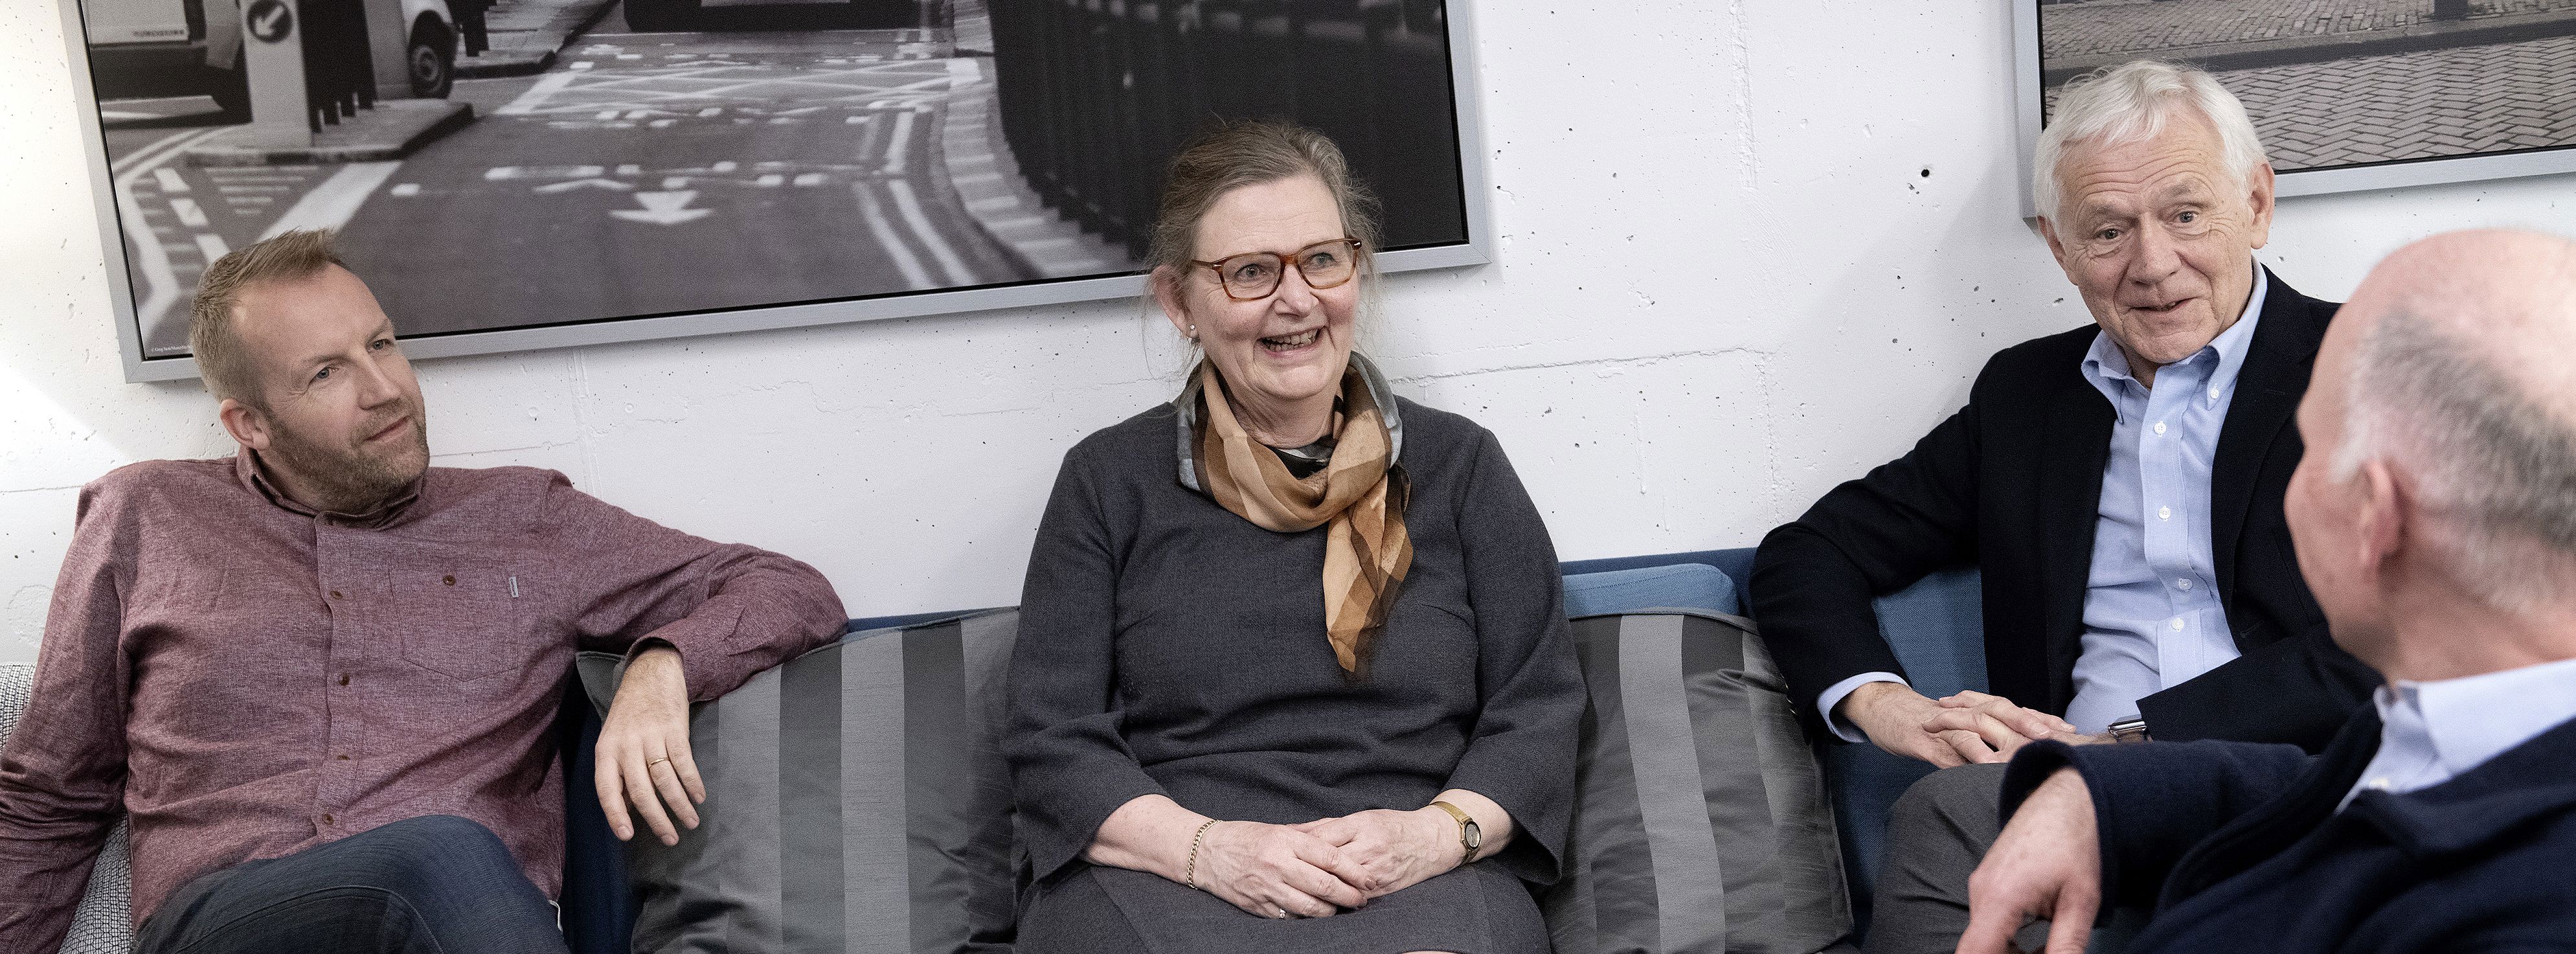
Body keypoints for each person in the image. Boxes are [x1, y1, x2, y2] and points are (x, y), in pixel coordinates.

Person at [0, 230, 849, 954]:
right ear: (249, 422)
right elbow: (49, 795)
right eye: (326, 374)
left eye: (381, 343)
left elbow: (787, 587)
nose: (384, 390)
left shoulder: (526, 520)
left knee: (442, 862)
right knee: (431, 857)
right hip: (233, 919)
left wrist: (663, 667)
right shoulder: (146, 512)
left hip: (466, 925)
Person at [1747, 60, 2376, 952]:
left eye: (2185, 214)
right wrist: (1885, 703)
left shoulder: (2378, 372)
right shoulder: (2024, 399)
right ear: (2059, 247)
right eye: (2108, 230)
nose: (2152, 264)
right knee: (1948, 820)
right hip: (2069, 798)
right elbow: (1808, 553)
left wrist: (2138, 743)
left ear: (2256, 205)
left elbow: (2431, 640)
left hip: (2306, 779)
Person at [1002, 121, 1583, 954]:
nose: (1297, 299)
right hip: (1167, 872)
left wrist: (1431, 836)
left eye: (1321, 259)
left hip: (1413, 877)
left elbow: (1539, 707)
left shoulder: (1462, 468)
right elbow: (1051, 738)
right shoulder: (1106, 482)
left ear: (1357, 270)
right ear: (1180, 302)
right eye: (1249, 272)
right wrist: (1211, 852)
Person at [1961, 229, 2576, 954]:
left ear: (2375, 517)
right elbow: (2361, 780)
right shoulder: (2472, 716)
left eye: (2310, 451)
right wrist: (2102, 795)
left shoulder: (2519, 920)